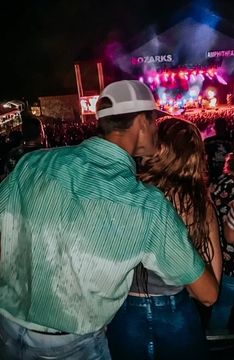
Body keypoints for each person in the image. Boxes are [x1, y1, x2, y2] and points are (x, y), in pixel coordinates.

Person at [0, 80, 218, 359]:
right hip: (74, 346)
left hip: (6, 329)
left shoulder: (35, 164)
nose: (155, 131)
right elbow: (208, 294)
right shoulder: (146, 203)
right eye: (154, 123)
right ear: (142, 122)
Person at [107, 117, 222, 360]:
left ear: (160, 148)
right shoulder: (199, 204)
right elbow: (212, 286)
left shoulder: (131, 192)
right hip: (177, 313)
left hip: (126, 313)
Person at [209, 152, 234, 331]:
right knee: (225, 302)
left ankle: (215, 337)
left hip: (219, 252)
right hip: (232, 259)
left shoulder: (219, 181)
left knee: (223, 303)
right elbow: (232, 237)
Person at [3, 112, 47, 178]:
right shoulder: (45, 155)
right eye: (43, 130)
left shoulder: (14, 154)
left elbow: (7, 176)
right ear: (41, 133)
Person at [204, 117, 232, 183]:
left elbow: (203, 156)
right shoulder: (231, 141)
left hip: (214, 173)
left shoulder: (208, 141)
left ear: (214, 128)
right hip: (227, 174)